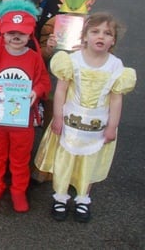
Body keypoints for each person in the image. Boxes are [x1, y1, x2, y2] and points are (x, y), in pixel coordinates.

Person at [34, 13, 136, 222]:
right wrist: (58, 117)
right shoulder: (72, 61)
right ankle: (60, 196)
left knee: (90, 162)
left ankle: (82, 198)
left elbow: (116, 99)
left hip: (97, 127)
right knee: (65, 159)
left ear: (113, 40)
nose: (101, 36)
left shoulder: (116, 66)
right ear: (85, 37)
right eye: (95, 31)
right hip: (70, 122)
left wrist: (112, 126)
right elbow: (61, 90)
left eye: (107, 33)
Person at [0, 0, 51, 212]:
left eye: (21, 33)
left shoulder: (34, 58)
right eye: (10, 32)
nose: (16, 37)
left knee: (20, 157)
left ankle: (18, 190)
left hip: (23, 120)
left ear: (29, 35)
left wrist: (36, 91)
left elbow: (44, 81)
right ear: (2, 34)